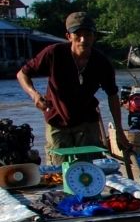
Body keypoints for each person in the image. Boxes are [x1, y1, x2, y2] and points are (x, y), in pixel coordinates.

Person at [17, 11, 129, 163]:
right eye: (78, 35)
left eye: (88, 34)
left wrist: (119, 130)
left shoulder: (101, 62)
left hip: (87, 122)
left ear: (94, 36)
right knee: (59, 170)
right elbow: (22, 74)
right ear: (69, 36)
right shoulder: (54, 53)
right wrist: (34, 94)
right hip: (56, 120)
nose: (83, 40)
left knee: (89, 170)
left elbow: (112, 95)